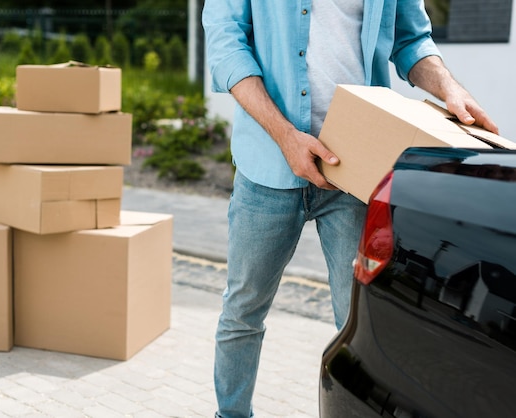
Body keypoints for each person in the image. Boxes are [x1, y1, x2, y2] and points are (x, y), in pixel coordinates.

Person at [201, 1, 499, 417]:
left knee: (359, 325)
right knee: (242, 313)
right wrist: (286, 136)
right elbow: (226, 44)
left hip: (355, 171)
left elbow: (411, 39)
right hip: (267, 164)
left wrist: (451, 89)